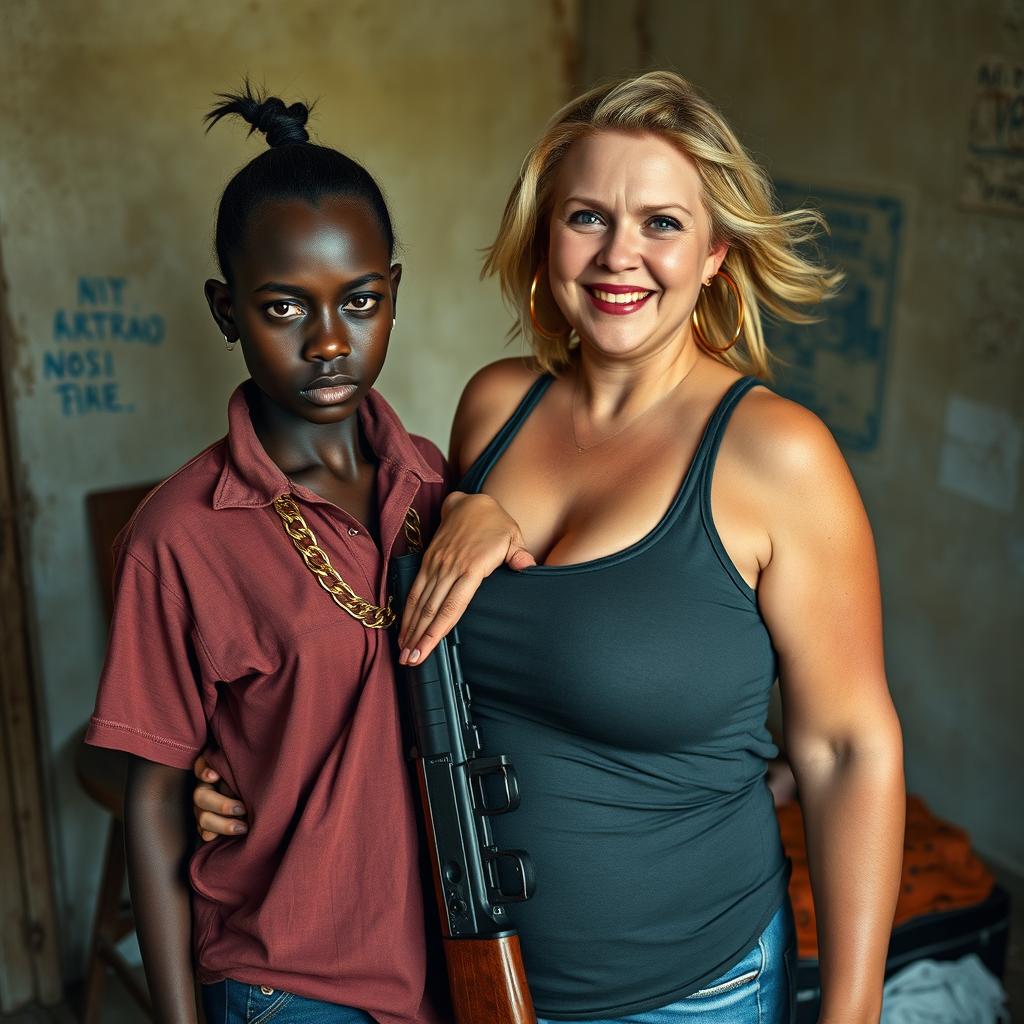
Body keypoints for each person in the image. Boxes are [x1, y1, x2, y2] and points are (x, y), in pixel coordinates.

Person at [195, 71, 906, 1024]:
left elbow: (850, 749)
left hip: (692, 989)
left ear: (716, 256)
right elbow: (380, 634)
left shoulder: (780, 456)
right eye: (587, 218)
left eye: (661, 223)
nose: (620, 256)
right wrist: (241, 769)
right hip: (475, 975)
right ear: (546, 238)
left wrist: (852, 1012)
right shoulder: (494, 411)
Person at [85, 85, 450, 1024]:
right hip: (291, 981)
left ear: (394, 297)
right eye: (286, 306)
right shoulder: (180, 539)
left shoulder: (444, 490)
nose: (330, 343)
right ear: (226, 309)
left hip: (458, 957)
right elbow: (159, 804)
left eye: (360, 301)